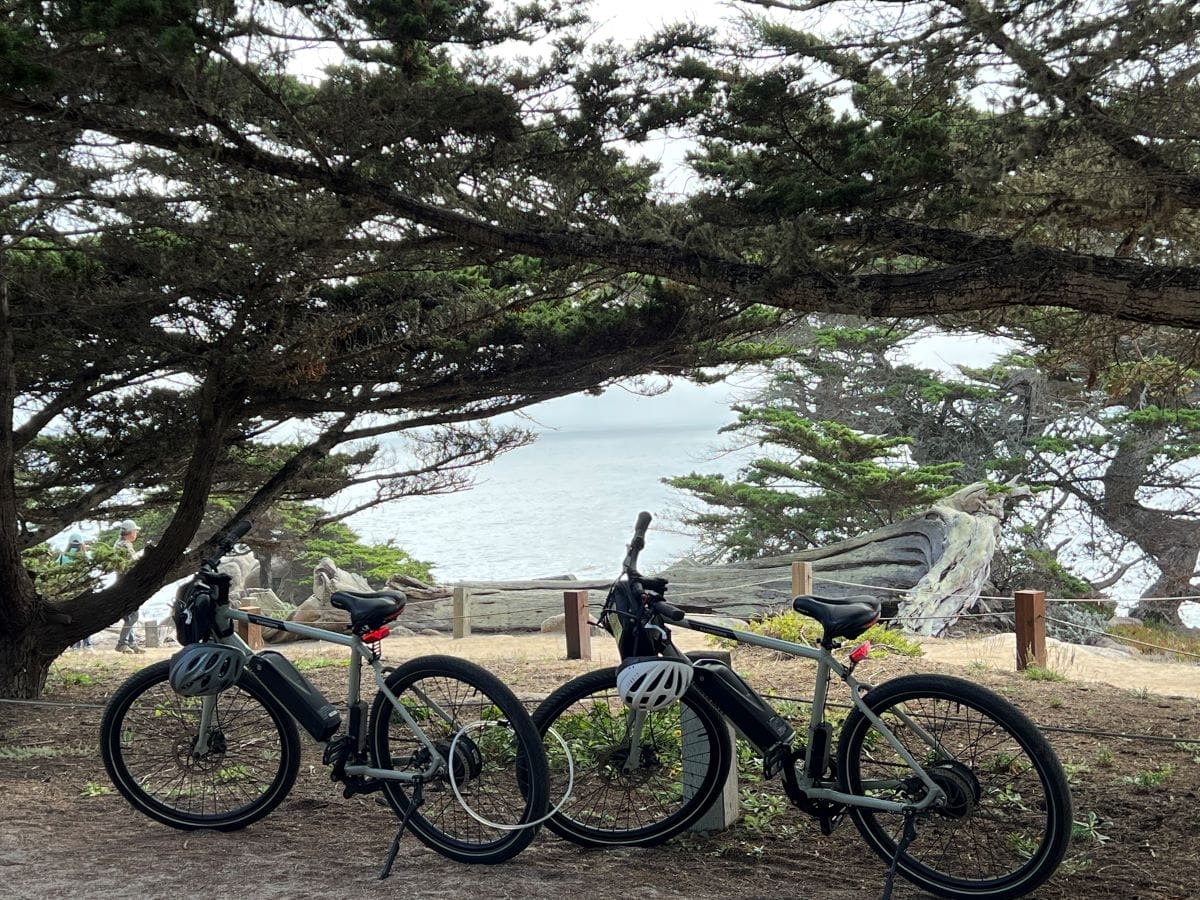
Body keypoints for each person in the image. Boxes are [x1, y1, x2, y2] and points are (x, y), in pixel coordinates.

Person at [59, 532, 95, 652]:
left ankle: (74, 645)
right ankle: (88, 644)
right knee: (86, 617)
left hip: (68, 590)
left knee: (72, 618)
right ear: (81, 543)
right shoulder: (85, 556)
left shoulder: (62, 556)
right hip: (83, 590)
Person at [113, 519, 144, 654]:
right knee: (133, 615)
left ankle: (131, 643)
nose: (136, 533)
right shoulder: (124, 545)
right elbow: (134, 564)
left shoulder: (119, 544)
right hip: (127, 585)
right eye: (135, 531)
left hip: (121, 584)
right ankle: (122, 643)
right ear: (130, 532)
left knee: (128, 616)